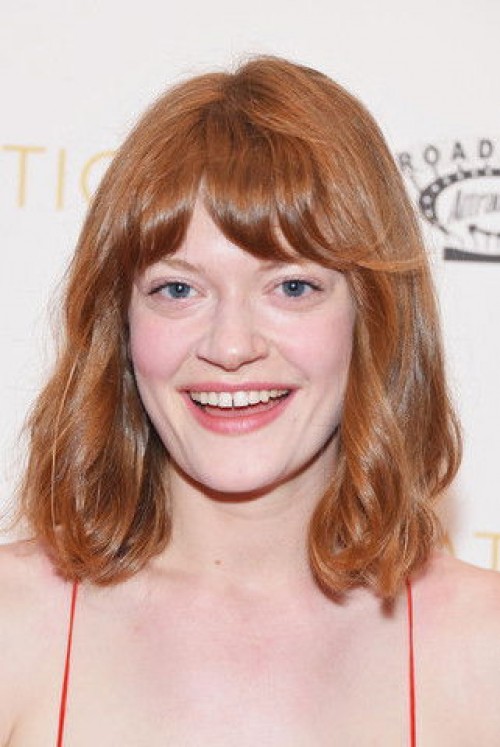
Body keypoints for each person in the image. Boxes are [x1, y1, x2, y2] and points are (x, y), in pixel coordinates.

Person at [1, 55, 499, 747]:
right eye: (178, 289)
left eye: (292, 287)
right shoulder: (13, 624)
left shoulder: (484, 649)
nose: (231, 345)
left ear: (375, 317)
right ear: (120, 323)